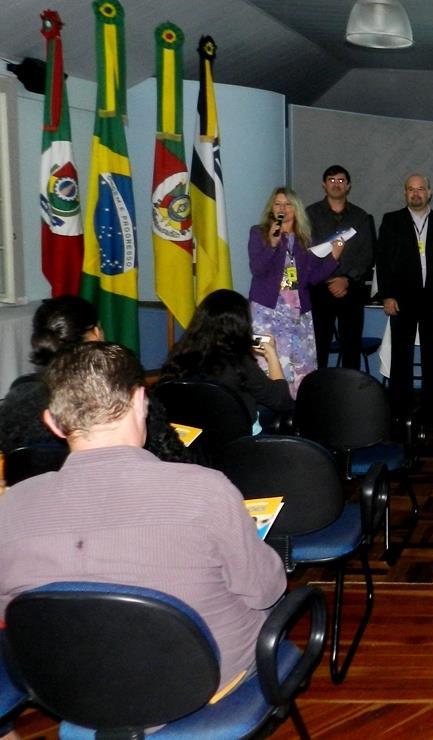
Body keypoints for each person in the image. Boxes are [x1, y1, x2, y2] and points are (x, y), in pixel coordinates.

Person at [0, 341, 287, 695]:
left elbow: (11, 611)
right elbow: (265, 590)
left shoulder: (11, 507)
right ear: (140, 401)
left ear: (53, 423)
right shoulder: (205, 490)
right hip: (204, 683)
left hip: (74, 690)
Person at [0, 296, 192, 463]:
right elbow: (174, 458)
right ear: (95, 334)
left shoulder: (16, 399)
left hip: (37, 502)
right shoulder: (127, 398)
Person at [376, 173, 433, 420]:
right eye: (411, 189)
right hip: (401, 298)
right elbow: (383, 262)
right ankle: (399, 407)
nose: (416, 193)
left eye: (420, 189)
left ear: (429, 192)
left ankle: (432, 405)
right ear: (405, 194)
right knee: (401, 354)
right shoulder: (392, 221)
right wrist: (387, 296)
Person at [248, 186, 344, 397]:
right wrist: (272, 244)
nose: (282, 208)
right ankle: (268, 413)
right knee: (268, 364)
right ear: (271, 208)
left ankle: (297, 413)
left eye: (287, 204)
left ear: (296, 208)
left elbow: (311, 279)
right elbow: (257, 268)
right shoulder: (259, 233)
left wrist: (333, 258)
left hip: (298, 312)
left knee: (301, 365)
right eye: (278, 204)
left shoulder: (305, 239)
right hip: (266, 312)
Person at [160, 288, 293, 430]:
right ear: (241, 324)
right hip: (235, 441)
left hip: (188, 439)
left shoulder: (178, 356)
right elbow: (282, 400)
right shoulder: (238, 362)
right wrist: (271, 355)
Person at [304, 164, 377, 370]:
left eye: (341, 180)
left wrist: (347, 278)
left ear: (349, 186)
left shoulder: (360, 216)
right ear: (323, 185)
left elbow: (368, 254)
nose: (336, 184)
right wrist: (327, 277)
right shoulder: (310, 214)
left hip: (351, 289)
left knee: (351, 345)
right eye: (331, 180)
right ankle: (319, 392)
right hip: (319, 288)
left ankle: (348, 395)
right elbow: (306, 251)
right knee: (319, 345)